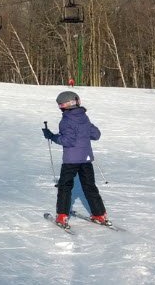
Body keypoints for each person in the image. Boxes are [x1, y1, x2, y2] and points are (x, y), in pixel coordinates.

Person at [42, 91, 110, 228]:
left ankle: (62, 216)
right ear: (77, 102)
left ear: (63, 106)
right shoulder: (84, 117)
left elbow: (68, 140)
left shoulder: (66, 121)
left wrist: (52, 136)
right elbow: (96, 135)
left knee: (65, 186)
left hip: (71, 160)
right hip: (86, 159)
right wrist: (85, 130)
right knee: (90, 186)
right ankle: (99, 214)